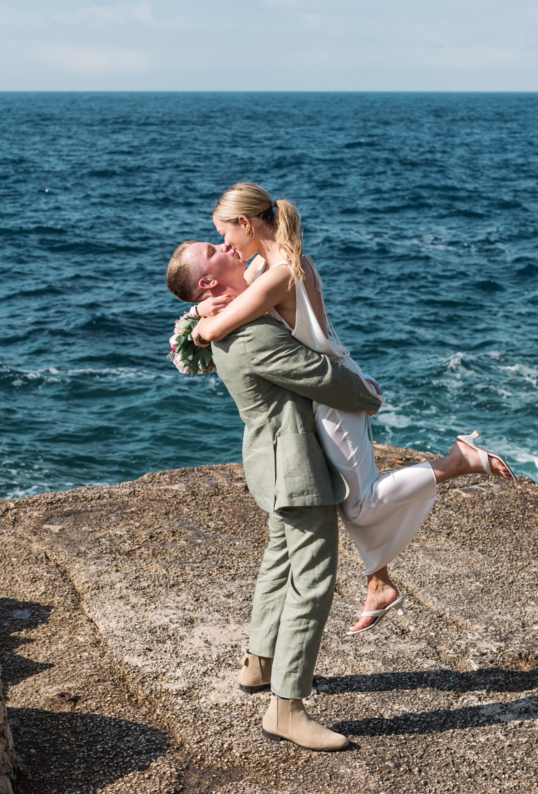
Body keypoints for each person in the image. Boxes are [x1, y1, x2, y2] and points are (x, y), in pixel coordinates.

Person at [190, 182, 513, 636]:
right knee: (351, 496)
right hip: (331, 385)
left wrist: (197, 327)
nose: (225, 245)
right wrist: (211, 303)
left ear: (246, 224)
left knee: (360, 505)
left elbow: (218, 326)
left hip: (334, 397)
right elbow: (234, 299)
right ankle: (378, 583)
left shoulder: (278, 272)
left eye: (224, 235)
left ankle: (459, 461)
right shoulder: (276, 262)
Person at [166, 237, 380, 751]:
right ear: (209, 282)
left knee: (281, 561)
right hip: (295, 468)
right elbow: (317, 375)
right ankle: (286, 707)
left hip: (272, 462)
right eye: (213, 248)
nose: (224, 244)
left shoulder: (229, 318)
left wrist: (199, 310)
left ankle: (259, 664)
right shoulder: (250, 333)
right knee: (312, 580)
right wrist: (367, 394)